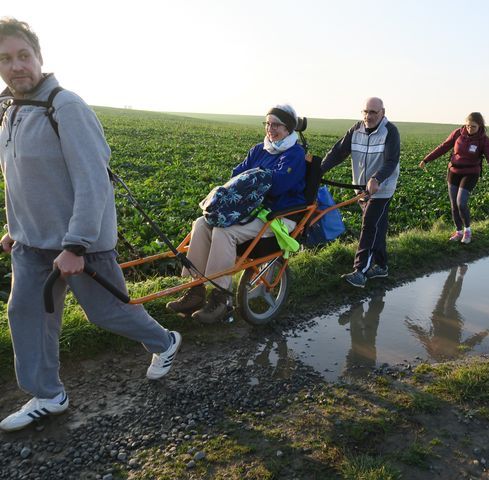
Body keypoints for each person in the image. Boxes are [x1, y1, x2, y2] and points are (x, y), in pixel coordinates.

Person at [0, 18, 181, 432]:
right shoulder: (10, 111)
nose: (16, 66)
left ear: (39, 57)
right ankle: (48, 394)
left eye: (23, 55)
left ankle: (165, 341)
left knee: (107, 313)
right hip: (32, 244)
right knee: (25, 314)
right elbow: (20, 178)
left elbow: (92, 181)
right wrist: (16, 227)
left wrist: (77, 245)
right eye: (5, 59)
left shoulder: (65, 106)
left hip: (80, 244)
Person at [167, 104, 306, 321]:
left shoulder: (295, 154)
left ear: (288, 128)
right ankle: (196, 289)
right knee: (201, 224)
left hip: (277, 216)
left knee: (224, 232)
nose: (270, 129)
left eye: (276, 125)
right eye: (267, 123)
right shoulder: (259, 150)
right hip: (248, 210)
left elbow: (279, 186)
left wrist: (254, 180)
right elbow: (236, 176)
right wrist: (249, 184)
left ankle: (221, 298)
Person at [320, 97, 400, 288]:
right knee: (377, 228)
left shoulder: (390, 131)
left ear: (382, 112)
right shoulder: (356, 130)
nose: (368, 116)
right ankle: (381, 266)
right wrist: (319, 170)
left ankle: (360, 271)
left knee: (369, 226)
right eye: (365, 112)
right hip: (361, 189)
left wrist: (377, 178)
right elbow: (338, 152)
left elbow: (391, 161)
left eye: (373, 112)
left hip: (381, 189)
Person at [419, 112, 489, 244]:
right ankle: (458, 232)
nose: (469, 129)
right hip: (453, 171)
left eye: (473, 126)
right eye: (467, 126)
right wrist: (426, 159)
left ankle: (467, 231)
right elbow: (444, 147)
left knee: (461, 202)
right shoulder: (458, 133)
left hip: (471, 173)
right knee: (454, 205)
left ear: (480, 126)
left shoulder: (484, 140)